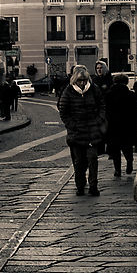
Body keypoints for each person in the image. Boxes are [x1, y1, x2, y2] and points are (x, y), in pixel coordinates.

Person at [58, 65, 106, 195]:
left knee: (93, 159)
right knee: (79, 161)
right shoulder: (68, 91)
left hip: (92, 131)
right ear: (75, 80)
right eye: (80, 80)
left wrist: (98, 121)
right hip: (77, 133)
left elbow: (102, 105)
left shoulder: (94, 89)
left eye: (85, 80)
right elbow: (63, 112)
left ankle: (93, 186)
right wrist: (72, 125)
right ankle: (80, 186)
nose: (83, 83)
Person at [104, 71, 137, 178]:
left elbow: (105, 111)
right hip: (127, 125)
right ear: (126, 82)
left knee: (115, 150)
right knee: (127, 147)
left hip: (113, 126)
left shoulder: (108, 94)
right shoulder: (131, 95)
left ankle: (117, 170)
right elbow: (136, 111)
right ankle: (129, 163)